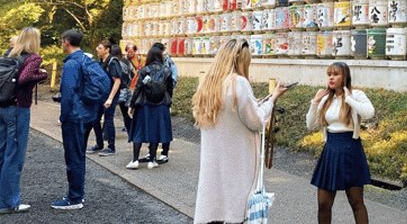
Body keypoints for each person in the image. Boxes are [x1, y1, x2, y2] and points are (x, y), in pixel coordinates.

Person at [192, 38, 288, 224]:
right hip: (236, 161)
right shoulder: (239, 83)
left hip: (214, 161)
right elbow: (256, 120)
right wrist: (273, 98)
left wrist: (257, 103)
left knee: (215, 208)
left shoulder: (208, 84)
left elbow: (232, 114)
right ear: (240, 59)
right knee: (235, 212)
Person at [306, 61, 375, 224]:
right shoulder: (324, 98)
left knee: (356, 202)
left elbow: (369, 113)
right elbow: (310, 125)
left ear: (345, 77)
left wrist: (349, 99)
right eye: (329, 74)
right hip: (330, 149)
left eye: (335, 74)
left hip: (351, 149)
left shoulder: (356, 94)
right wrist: (315, 102)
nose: (331, 78)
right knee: (323, 203)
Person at [0, 27, 47, 214]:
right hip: (18, 109)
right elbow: (25, 78)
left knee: (2, 153)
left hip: (2, 106)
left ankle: (3, 199)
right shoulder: (33, 58)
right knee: (14, 156)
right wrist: (42, 74)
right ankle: (9, 202)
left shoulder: (7, 55)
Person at [52, 29, 96, 210]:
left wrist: (63, 116)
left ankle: (74, 198)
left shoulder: (71, 64)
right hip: (87, 114)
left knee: (73, 157)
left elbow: (68, 93)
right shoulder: (86, 59)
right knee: (80, 155)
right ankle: (78, 194)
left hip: (74, 116)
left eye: (62, 41)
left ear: (66, 42)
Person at [126, 45, 173, 170]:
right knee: (155, 131)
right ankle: (152, 160)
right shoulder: (167, 70)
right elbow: (170, 89)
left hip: (144, 105)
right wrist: (169, 103)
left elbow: (138, 88)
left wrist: (132, 104)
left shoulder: (144, 70)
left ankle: (135, 160)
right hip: (161, 105)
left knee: (139, 130)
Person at [88, 40, 124, 156]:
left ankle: (111, 147)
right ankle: (99, 144)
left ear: (107, 49)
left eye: (99, 48)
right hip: (100, 95)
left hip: (110, 95)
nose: (97, 50)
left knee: (108, 120)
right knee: (95, 119)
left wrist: (110, 98)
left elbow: (117, 81)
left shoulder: (112, 62)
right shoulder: (101, 62)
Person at [119, 43, 143, 133]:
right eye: (128, 52)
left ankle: (133, 127)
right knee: (126, 110)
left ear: (135, 51)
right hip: (127, 88)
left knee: (134, 109)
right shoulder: (123, 61)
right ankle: (129, 128)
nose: (130, 54)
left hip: (136, 87)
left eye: (132, 52)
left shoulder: (140, 59)